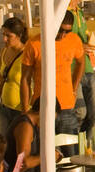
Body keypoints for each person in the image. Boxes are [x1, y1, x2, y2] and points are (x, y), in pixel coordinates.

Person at [20, 10, 85, 140]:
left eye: (67, 31)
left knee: (71, 154)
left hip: (66, 105)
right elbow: (25, 79)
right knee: (42, 152)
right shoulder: (34, 44)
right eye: (60, 30)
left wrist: (74, 87)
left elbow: (81, 63)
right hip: (41, 106)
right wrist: (25, 109)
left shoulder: (74, 40)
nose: (63, 35)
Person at [0, 17, 26, 142]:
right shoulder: (4, 51)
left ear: (19, 35)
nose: (4, 39)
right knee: (4, 145)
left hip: (21, 110)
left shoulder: (27, 55)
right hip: (5, 108)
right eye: (3, 35)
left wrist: (26, 112)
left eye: (9, 36)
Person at [65, 0, 95, 133]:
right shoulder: (63, 13)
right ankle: (76, 150)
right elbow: (60, 41)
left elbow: (85, 35)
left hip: (87, 67)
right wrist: (79, 47)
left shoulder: (79, 12)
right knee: (80, 113)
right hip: (72, 68)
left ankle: (85, 147)